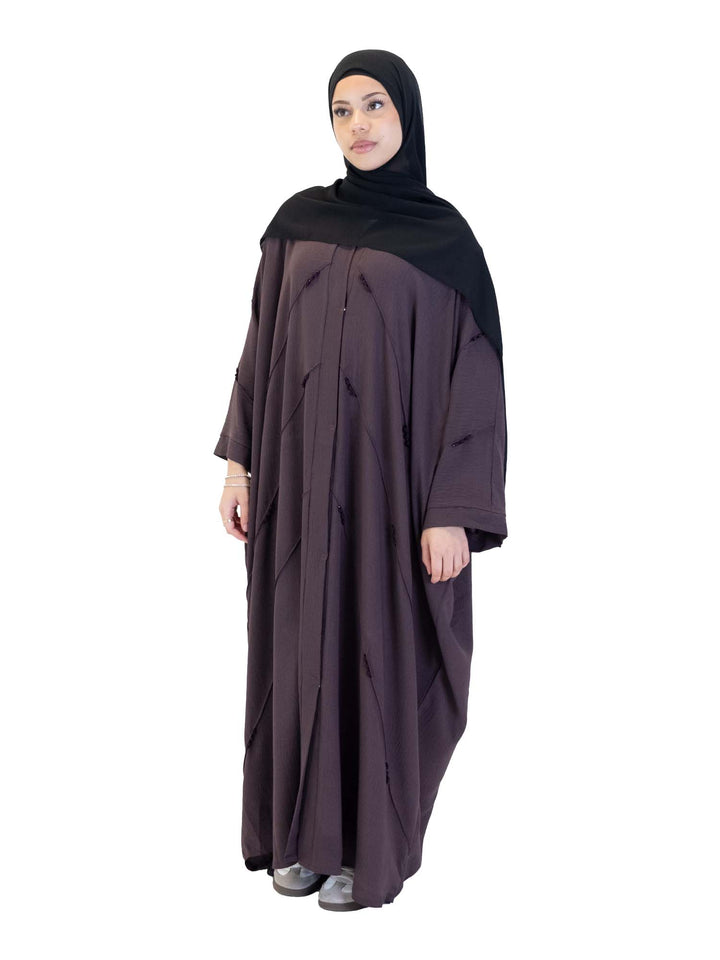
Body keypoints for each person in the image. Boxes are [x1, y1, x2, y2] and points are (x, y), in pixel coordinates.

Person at [214, 49, 508, 912]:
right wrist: (239, 464)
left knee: (377, 651)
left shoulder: (446, 244)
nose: (358, 125)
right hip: (297, 493)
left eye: (374, 105)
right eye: (342, 111)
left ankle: (360, 850)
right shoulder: (296, 223)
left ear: (406, 114)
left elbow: (476, 381)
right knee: (298, 648)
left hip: (390, 501)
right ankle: (300, 839)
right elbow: (260, 345)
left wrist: (452, 511)